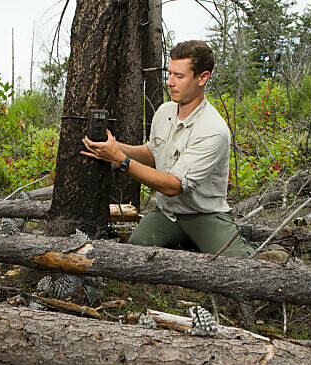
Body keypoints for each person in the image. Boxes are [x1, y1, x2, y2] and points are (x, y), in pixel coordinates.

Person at [81, 40, 255, 258]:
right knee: (136, 251)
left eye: (179, 76)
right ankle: (186, 242)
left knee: (241, 265)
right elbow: (153, 153)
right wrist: (115, 147)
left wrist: (120, 159)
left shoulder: (213, 130)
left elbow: (173, 186)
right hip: (168, 213)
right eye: (169, 74)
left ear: (203, 78)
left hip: (204, 214)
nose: (170, 82)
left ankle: (254, 245)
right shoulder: (165, 111)